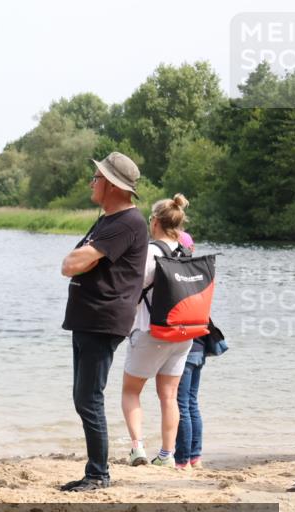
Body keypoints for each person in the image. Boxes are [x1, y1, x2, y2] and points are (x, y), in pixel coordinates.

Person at [59, 152, 148, 492]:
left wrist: (83, 261)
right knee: (83, 397)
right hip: (89, 318)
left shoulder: (127, 222)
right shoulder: (107, 220)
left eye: (96, 178)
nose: (91, 183)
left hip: (103, 318)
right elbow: (72, 262)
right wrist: (82, 261)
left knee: (88, 398)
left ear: (111, 185)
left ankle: (98, 474)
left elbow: (73, 262)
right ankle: (95, 471)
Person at [121, 194, 194, 469]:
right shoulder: (186, 252)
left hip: (151, 331)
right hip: (183, 334)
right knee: (169, 396)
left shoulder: (150, 252)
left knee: (131, 391)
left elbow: (132, 287)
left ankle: (137, 448)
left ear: (154, 223)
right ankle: (167, 455)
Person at [173, 232, 206, 470]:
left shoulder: (177, 277)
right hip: (200, 344)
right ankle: (195, 456)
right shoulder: (200, 275)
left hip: (186, 346)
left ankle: (182, 459)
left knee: (181, 403)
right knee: (191, 402)